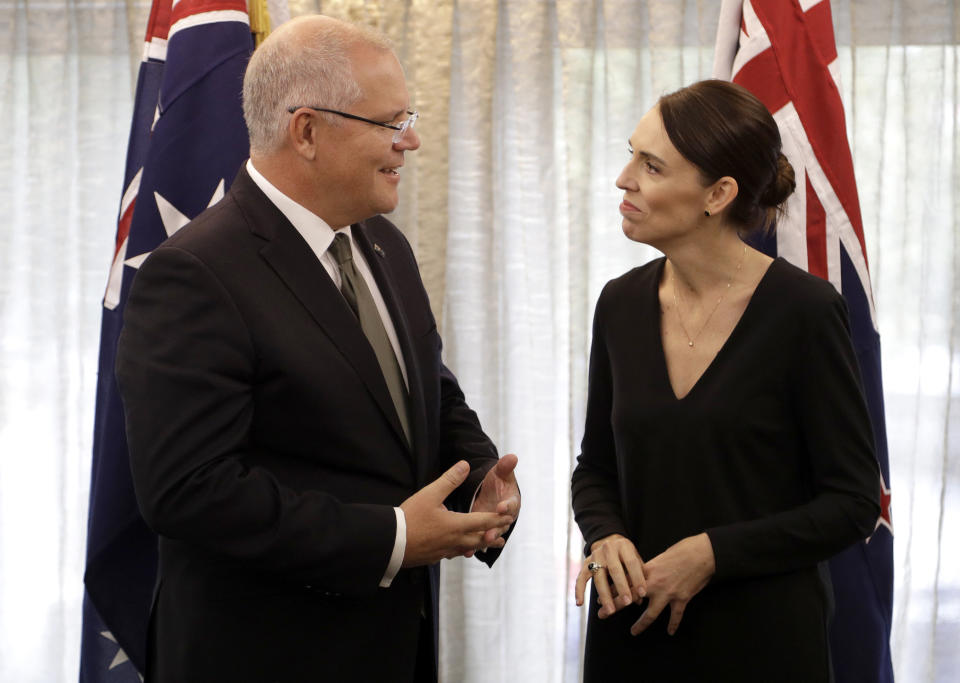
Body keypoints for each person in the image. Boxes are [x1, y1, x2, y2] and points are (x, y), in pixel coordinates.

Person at [116, 15, 520, 683]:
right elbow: (187, 489)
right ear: (307, 130)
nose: (411, 141)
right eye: (391, 122)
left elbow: (421, 385)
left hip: (389, 647)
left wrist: (480, 476)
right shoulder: (195, 272)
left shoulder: (382, 243)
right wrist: (390, 538)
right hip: (265, 655)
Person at [571, 79, 881, 682]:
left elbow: (852, 503)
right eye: (631, 153)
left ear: (718, 193)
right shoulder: (619, 303)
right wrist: (604, 535)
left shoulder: (805, 310)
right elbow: (596, 467)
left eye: (651, 165)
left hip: (762, 643)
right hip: (629, 633)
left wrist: (712, 554)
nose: (623, 178)